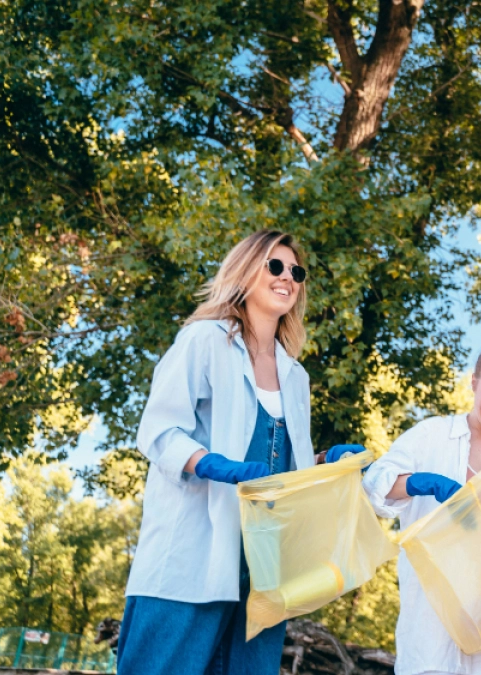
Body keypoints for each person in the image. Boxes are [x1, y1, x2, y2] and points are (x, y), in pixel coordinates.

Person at [118, 230, 329, 674]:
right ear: (245, 271)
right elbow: (159, 430)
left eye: (296, 271)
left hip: (262, 574)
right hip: (192, 559)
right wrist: (210, 463)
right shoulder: (204, 341)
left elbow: (287, 471)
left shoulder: (296, 377)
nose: (287, 277)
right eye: (275, 265)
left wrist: (326, 466)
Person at [361, 337, 481, 675]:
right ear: (473, 382)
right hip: (436, 625)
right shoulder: (432, 435)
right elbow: (374, 485)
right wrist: (418, 482)